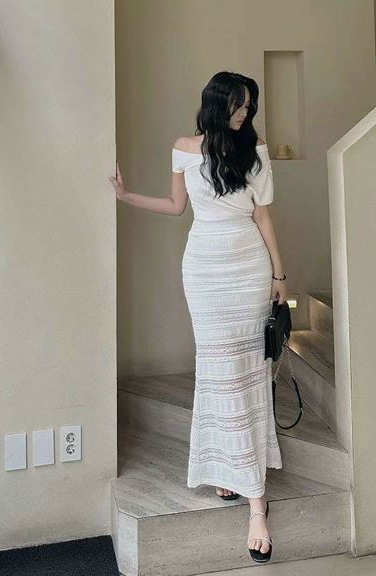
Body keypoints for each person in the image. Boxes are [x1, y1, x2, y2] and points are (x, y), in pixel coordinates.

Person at [109, 71, 288, 563]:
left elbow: (263, 215)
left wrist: (279, 274)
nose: (244, 113)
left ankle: (256, 503)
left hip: (247, 267)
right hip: (204, 270)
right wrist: (126, 196)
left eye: (249, 106)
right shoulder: (184, 148)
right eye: (238, 105)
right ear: (216, 103)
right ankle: (229, 467)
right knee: (217, 372)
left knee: (247, 374)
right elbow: (175, 206)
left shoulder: (255, 149)